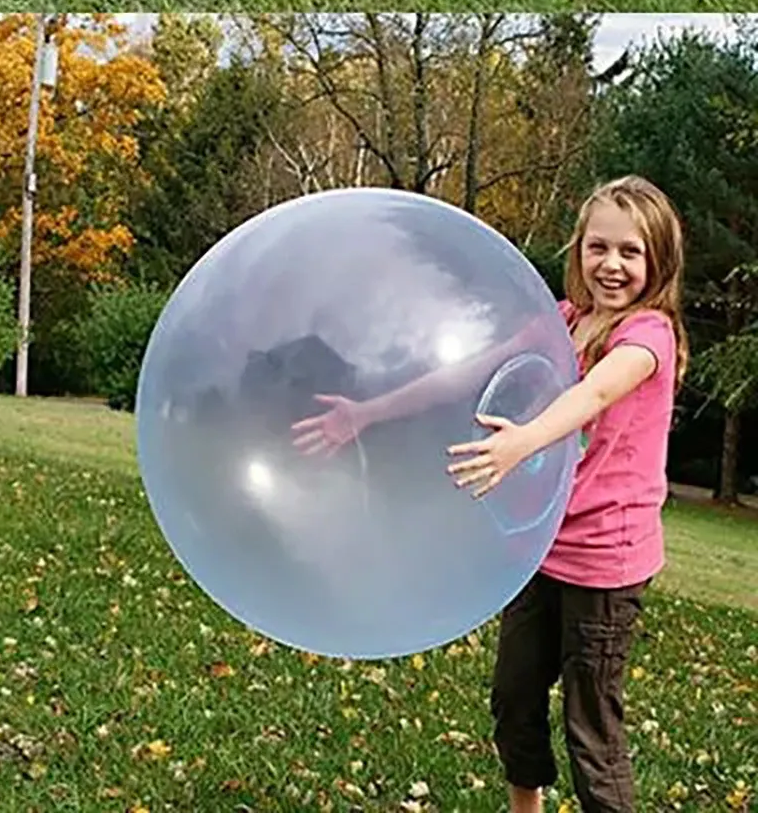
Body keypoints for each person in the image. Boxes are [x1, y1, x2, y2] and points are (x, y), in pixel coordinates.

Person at [294, 176, 686, 813]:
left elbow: (593, 395)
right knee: (513, 699)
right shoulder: (563, 320)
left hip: (606, 561)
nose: (611, 265)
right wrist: (366, 413)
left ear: (658, 260)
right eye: (598, 247)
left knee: (591, 728)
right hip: (540, 547)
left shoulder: (648, 336)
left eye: (630, 252)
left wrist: (521, 442)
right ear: (579, 250)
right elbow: (464, 374)